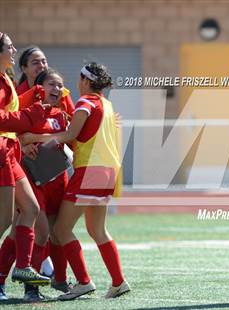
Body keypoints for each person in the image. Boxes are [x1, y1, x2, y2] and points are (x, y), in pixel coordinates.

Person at [21, 62, 130, 300]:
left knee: (60, 229)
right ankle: (118, 282)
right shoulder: (108, 105)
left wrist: (33, 137)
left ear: (87, 81)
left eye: (80, 79)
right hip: (109, 171)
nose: (76, 84)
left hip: (90, 170)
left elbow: (70, 135)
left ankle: (83, 282)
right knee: (97, 230)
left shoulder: (85, 102)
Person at [0, 68, 72, 301]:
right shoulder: (26, 105)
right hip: (29, 175)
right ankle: (14, 281)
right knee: (33, 228)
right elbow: (13, 133)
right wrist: (25, 141)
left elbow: (67, 137)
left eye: (59, 85)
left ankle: (31, 285)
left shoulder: (60, 113)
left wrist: (34, 138)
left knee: (37, 232)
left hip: (52, 178)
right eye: (51, 84)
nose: (56, 89)